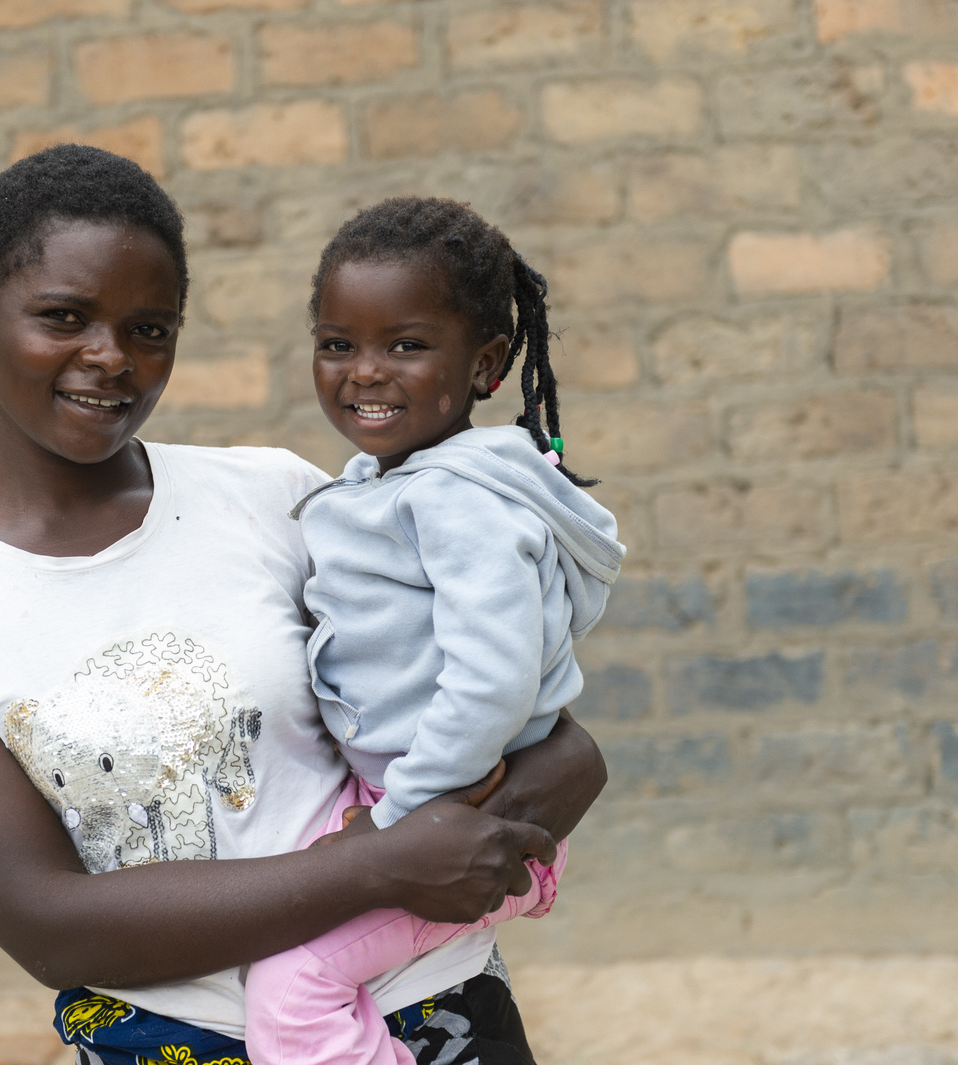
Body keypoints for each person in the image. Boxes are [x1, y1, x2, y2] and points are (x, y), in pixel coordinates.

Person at [0, 145, 607, 1065]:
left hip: (427, 1012)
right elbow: (50, 928)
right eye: (63, 318)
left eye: (149, 328)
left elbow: (556, 745)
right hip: (167, 1041)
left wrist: (504, 802)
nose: (109, 358)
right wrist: (380, 861)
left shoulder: (276, 497)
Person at [242, 198, 625, 1065]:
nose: (365, 371)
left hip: (460, 824)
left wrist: (395, 828)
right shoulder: (384, 485)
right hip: (419, 807)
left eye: (405, 346)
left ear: (487, 364)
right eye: (337, 344)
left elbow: (492, 681)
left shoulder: (459, 499)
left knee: (293, 990)